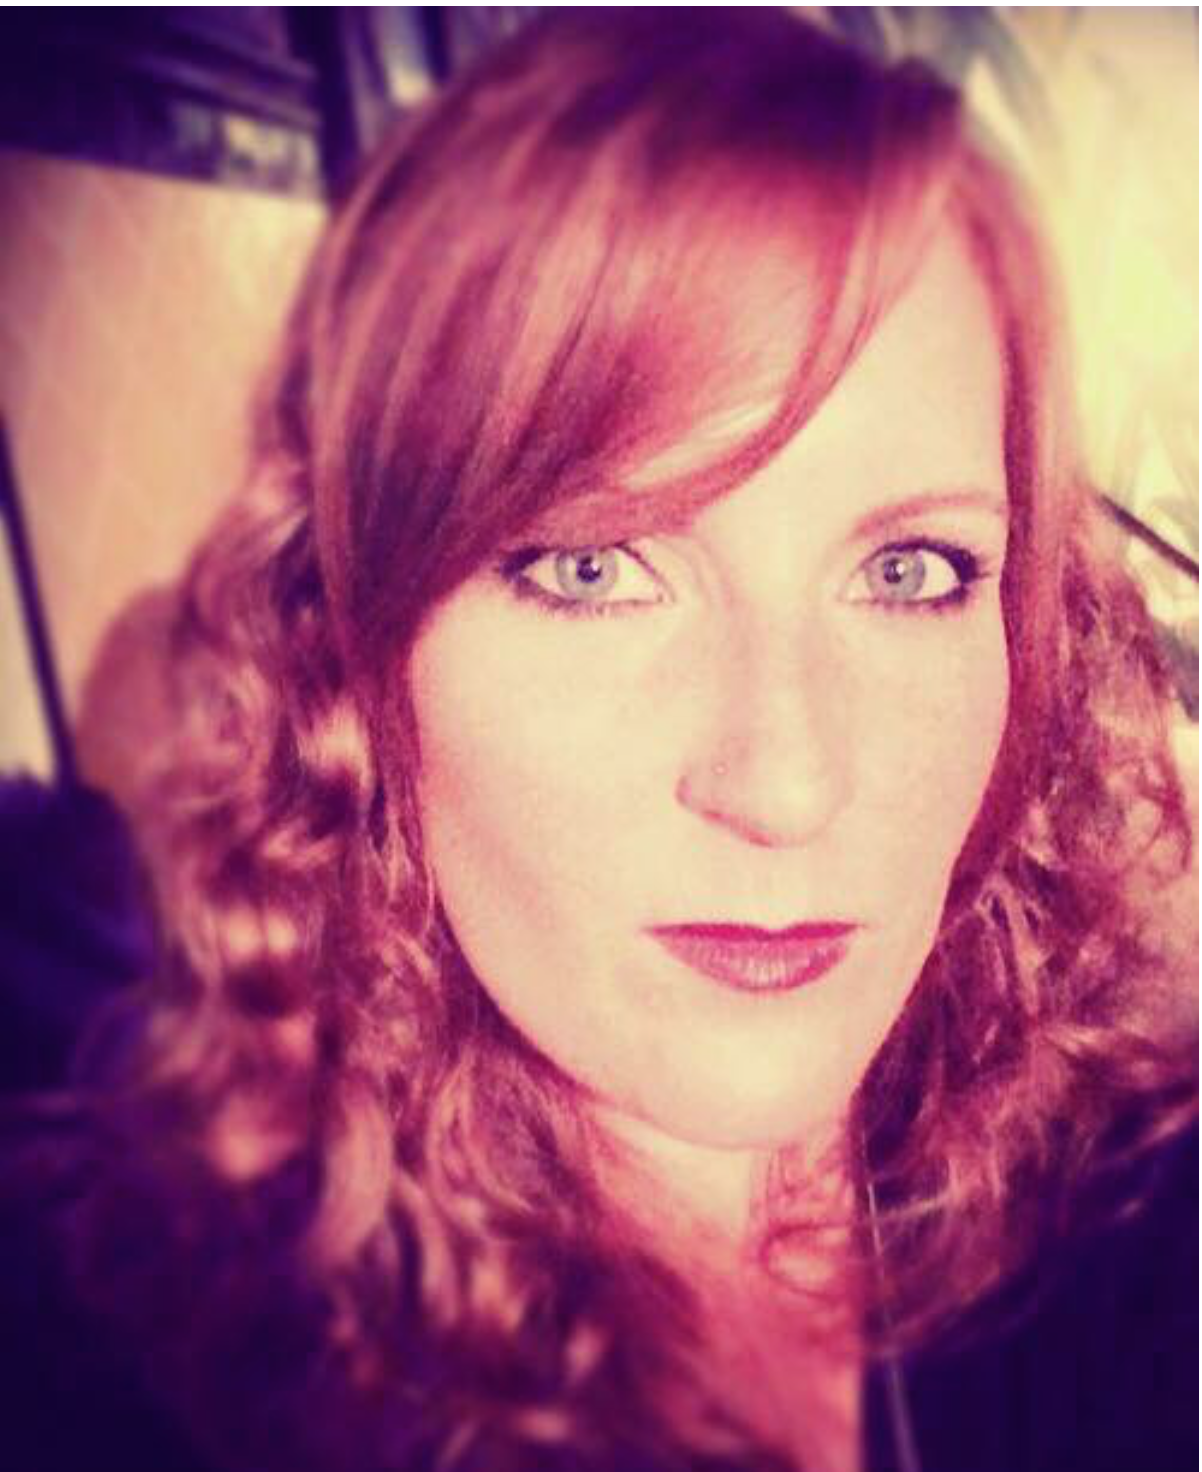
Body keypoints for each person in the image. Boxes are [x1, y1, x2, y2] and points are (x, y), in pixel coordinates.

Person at [3, 10, 1195, 1472]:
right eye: (591, 568)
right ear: (357, 652)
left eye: (909, 571)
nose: (785, 783)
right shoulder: (135, 1358)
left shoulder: (1141, 1215)